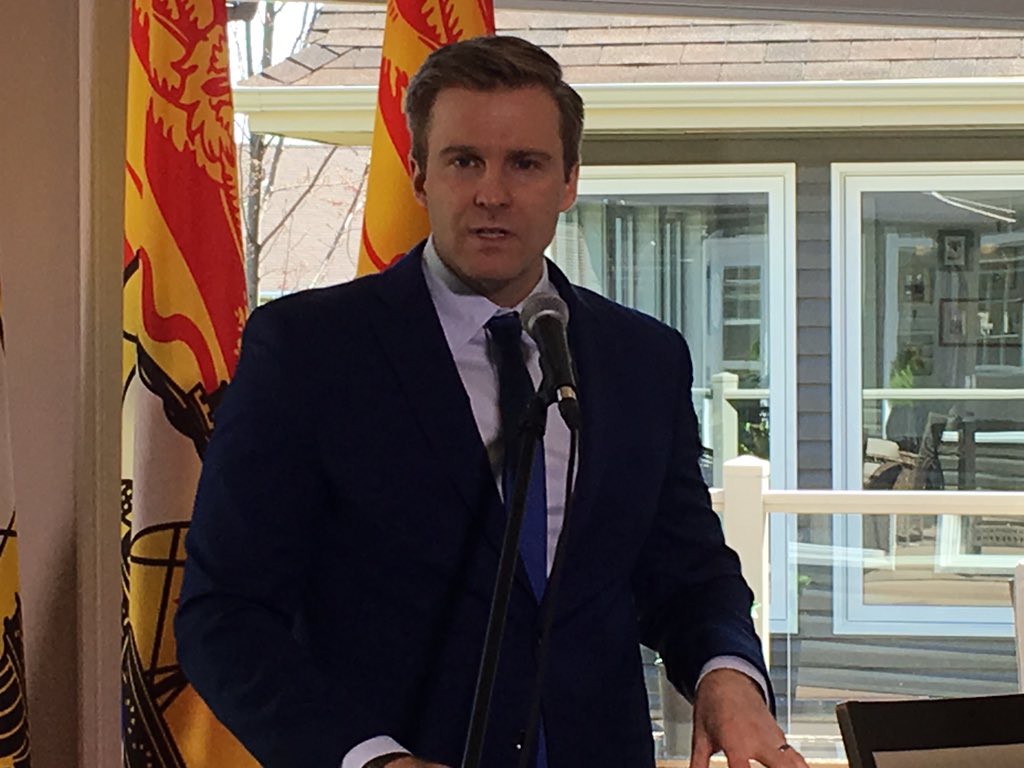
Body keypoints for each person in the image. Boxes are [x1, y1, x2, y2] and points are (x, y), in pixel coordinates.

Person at [175, 35, 808, 768]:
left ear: (569, 181)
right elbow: (225, 615)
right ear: (419, 176)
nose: (492, 194)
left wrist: (726, 674)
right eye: (464, 161)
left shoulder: (642, 359)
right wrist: (369, 759)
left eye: (526, 164)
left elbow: (686, 573)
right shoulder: (309, 352)